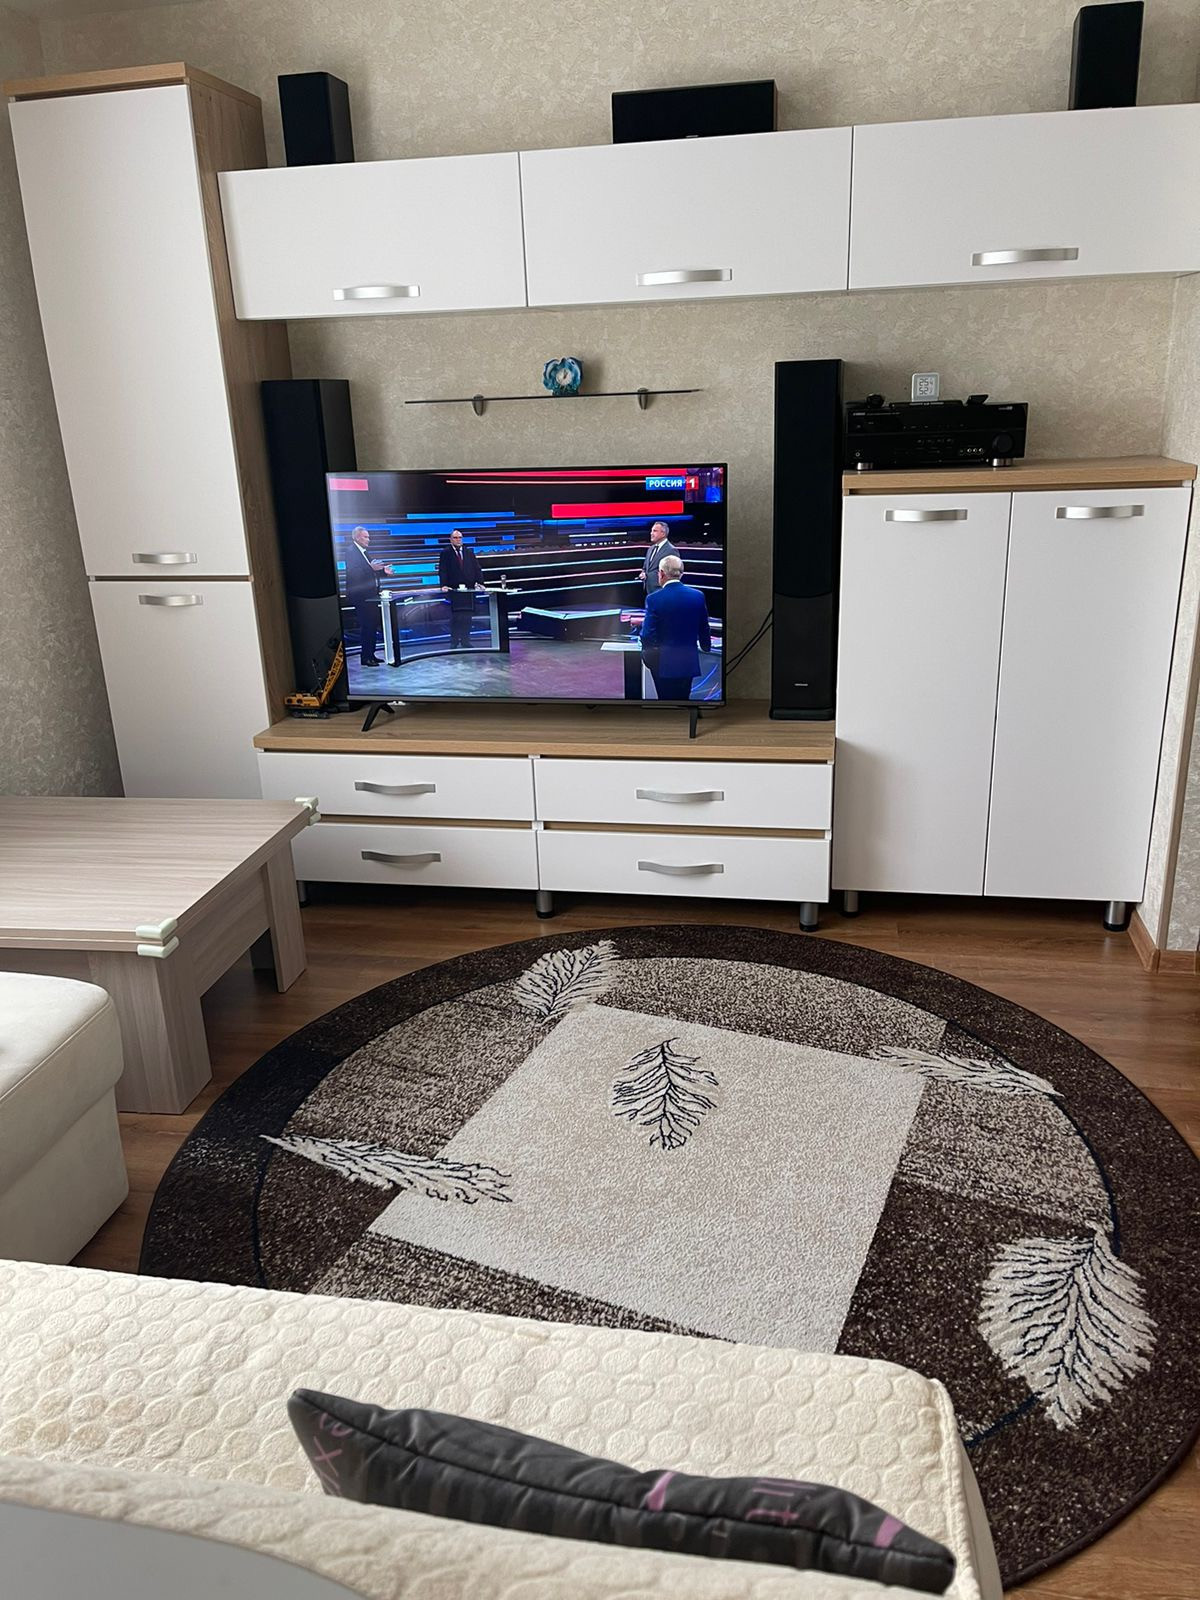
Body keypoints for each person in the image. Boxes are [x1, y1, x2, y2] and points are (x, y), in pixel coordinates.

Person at [639, 554, 712, 702]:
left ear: (661, 574)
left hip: (663, 663)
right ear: (681, 574)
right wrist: (706, 646)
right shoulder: (698, 596)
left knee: (666, 702)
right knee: (684, 700)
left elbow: (647, 635)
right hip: (688, 660)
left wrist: (650, 654)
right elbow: (704, 627)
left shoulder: (654, 599)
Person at [344, 525, 385, 667]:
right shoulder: (351, 551)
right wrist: (371, 567)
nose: (369, 539)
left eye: (369, 537)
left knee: (372, 626)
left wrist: (384, 571)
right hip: (361, 596)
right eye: (365, 537)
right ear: (356, 537)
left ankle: (370, 655)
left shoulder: (365, 552)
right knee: (367, 626)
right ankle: (366, 657)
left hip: (371, 595)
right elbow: (354, 573)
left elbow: (370, 571)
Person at [438, 529, 486, 649]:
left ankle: (465, 640)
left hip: (468, 590)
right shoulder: (446, 553)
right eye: (455, 538)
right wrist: (443, 585)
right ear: (450, 540)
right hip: (454, 590)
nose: (458, 540)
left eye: (460, 537)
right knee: (456, 617)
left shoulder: (468, 552)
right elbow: (443, 570)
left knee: (467, 617)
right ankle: (454, 641)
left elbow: (477, 568)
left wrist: (480, 583)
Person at [639, 520, 678, 600]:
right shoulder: (650, 549)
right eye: (651, 531)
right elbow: (646, 568)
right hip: (649, 592)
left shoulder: (671, 550)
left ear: (663, 533)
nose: (651, 533)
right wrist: (643, 574)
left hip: (662, 592)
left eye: (655, 531)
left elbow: (672, 574)